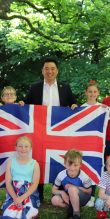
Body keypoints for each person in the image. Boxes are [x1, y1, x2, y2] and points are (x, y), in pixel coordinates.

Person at [19, 59, 79, 202]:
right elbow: (26, 102)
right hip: (39, 131)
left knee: (58, 158)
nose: (50, 71)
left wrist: (75, 105)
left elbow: (74, 101)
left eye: (52, 68)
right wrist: (21, 103)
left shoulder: (65, 86)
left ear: (57, 71)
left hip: (58, 131)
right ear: (42, 71)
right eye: (47, 68)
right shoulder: (35, 87)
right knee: (39, 158)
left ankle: (57, 193)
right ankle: (37, 194)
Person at [0, 137, 40, 219]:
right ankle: (15, 214)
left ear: (30, 148)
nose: (23, 149)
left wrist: (21, 198)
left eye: (26, 146)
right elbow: (8, 183)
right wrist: (15, 198)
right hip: (14, 193)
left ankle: (23, 216)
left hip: (29, 193)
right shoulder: (11, 163)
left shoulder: (34, 164)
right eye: (20, 146)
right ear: (16, 147)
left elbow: (34, 184)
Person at [81, 81, 108, 207]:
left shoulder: (102, 108)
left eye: (94, 92)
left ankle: (92, 196)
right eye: (90, 91)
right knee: (82, 168)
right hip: (83, 144)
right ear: (86, 93)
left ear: (98, 93)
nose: (92, 94)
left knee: (93, 168)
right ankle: (82, 195)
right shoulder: (81, 107)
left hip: (95, 145)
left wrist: (104, 110)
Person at [51, 149, 92, 219]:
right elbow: (53, 190)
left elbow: (89, 191)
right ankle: (70, 208)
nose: (72, 168)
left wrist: (73, 187)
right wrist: (62, 193)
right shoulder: (61, 174)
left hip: (82, 197)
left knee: (72, 189)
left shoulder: (83, 176)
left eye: (75, 165)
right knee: (55, 200)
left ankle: (77, 216)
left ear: (80, 165)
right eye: (69, 164)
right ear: (65, 164)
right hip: (68, 196)